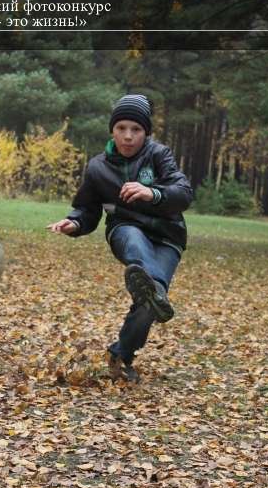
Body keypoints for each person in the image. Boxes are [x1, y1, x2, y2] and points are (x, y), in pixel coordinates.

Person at [47, 94, 193, 383]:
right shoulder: (98, 167)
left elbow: (183, 192)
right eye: (122, 128)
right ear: (112, 130)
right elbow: (87, 210)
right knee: (141, 259)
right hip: (126, 230)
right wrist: (74, 223)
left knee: (151, 301)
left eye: (136, 130)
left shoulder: (159, 155)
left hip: (167, 237)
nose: (128, 136)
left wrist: (153, 193)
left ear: (146, 132)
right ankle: (148, 282)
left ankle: (122, 355)